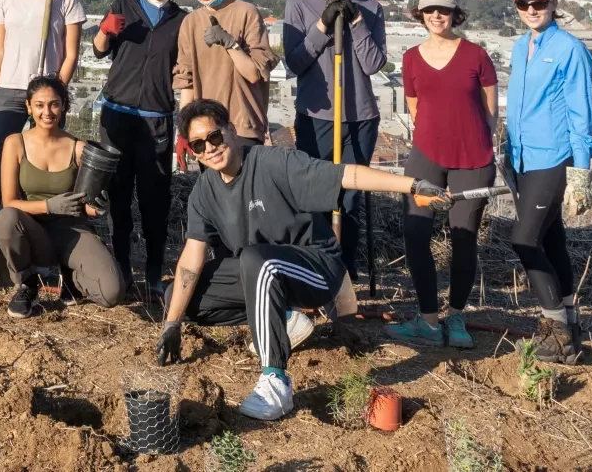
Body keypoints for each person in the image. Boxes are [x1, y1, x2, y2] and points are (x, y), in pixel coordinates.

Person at [155, 99, 449, 421]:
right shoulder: (204, 192)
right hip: (264, 271)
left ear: (231, 130)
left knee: (258, 261)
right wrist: (172, 323)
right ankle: (285, 319)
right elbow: (191, 259)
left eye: (214, 137)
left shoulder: (274, 163)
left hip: (318, 268)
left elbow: (346, 175)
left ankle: (275, 381)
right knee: (180, 297)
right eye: (198, 145)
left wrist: (412, 185)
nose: (210, 148)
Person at [386, 0, 498, 350]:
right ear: (420, 14)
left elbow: (490, 111)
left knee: (464, 238)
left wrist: (474, 140)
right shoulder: (412, 58)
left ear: (455, 14)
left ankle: (457, 317)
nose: (437, 16)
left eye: (444, 10)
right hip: (426, 156)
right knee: (416, 234)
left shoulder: (476, 55)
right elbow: (416, 108)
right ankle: (428, 319)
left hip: (473, 158)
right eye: (430, 9)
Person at [279, 0, 389, 280]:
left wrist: (356, 24)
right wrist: (323, 25)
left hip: (359, 116)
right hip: (316, 115)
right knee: (315, 194)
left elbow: (373, 64)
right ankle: (315, 269)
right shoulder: (299, 3)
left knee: (351, 197)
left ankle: (345, 274)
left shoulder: (371, 7)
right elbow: (294, 63)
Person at [504, 0, 592, 363]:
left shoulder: (570, 49)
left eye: (538, 3)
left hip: (553, 159)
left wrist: (581, 171)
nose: (531, 10)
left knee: (524, 240)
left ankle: (555, 326)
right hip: (521, 157)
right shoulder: (520, 47)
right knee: (551, 238)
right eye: (523, 4)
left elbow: (582, 113)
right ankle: (571, 327)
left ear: (553, 4)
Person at [91, 0, 188, 300]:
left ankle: (153, 273)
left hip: (157, 120)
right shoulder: (124, 6)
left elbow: (187, 69)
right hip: (117, 115)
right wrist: (105, 29)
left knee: (155, 200)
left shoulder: (182, 19)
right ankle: (120, 267)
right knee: (118, 198)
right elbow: (99, 49)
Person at [0, 76, 122, 317]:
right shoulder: (15, 143)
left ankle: (72, 277)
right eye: (39, 105)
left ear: (63, 105)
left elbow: (88, 206)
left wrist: (100, 208)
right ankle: (27, 283)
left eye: (54, 104)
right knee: (5, 219)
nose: (47, 112)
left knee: (111, 293)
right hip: (34, 233)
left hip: (71, 232)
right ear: (29, 107)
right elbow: (9, 202)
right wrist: (49, 206)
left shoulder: (79, 148)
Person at [0, 0, 85, 220]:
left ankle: (46, 233)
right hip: (10, 90)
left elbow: (71, 53)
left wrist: (56, 90)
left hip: (47, 94)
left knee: (48, 164)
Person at [174, 0, 276, 152]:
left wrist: (230, 44)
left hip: (243, 126)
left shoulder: (246, 13)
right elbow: (188, 82)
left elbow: (254, 74)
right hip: (206, 130)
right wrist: (184, 131)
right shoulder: (190, 22)